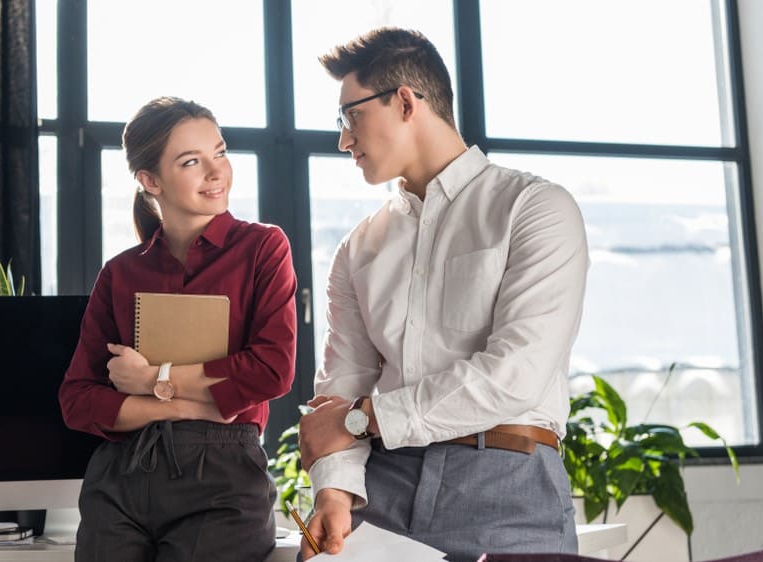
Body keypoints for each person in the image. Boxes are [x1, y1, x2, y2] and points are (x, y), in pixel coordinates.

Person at [297, 27, 588, 560]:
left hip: (507, 485)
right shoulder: (358, 248)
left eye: (350, 116)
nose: (343, 140)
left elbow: (515, 373)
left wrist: (363, 418)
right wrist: (334, 492)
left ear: (405, 101)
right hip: (383, 489)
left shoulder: (535, 208)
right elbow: (342, 386)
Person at [59, 96, 297, 562]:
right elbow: (77, 400)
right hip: (121, 476)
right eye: (192, 161)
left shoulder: (263, 248)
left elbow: (272, 370)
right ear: (150, 181)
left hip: (222, 480)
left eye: (220, 152)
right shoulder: (120, 273)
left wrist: (153, 380)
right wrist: (185, 408)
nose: (216, 172)